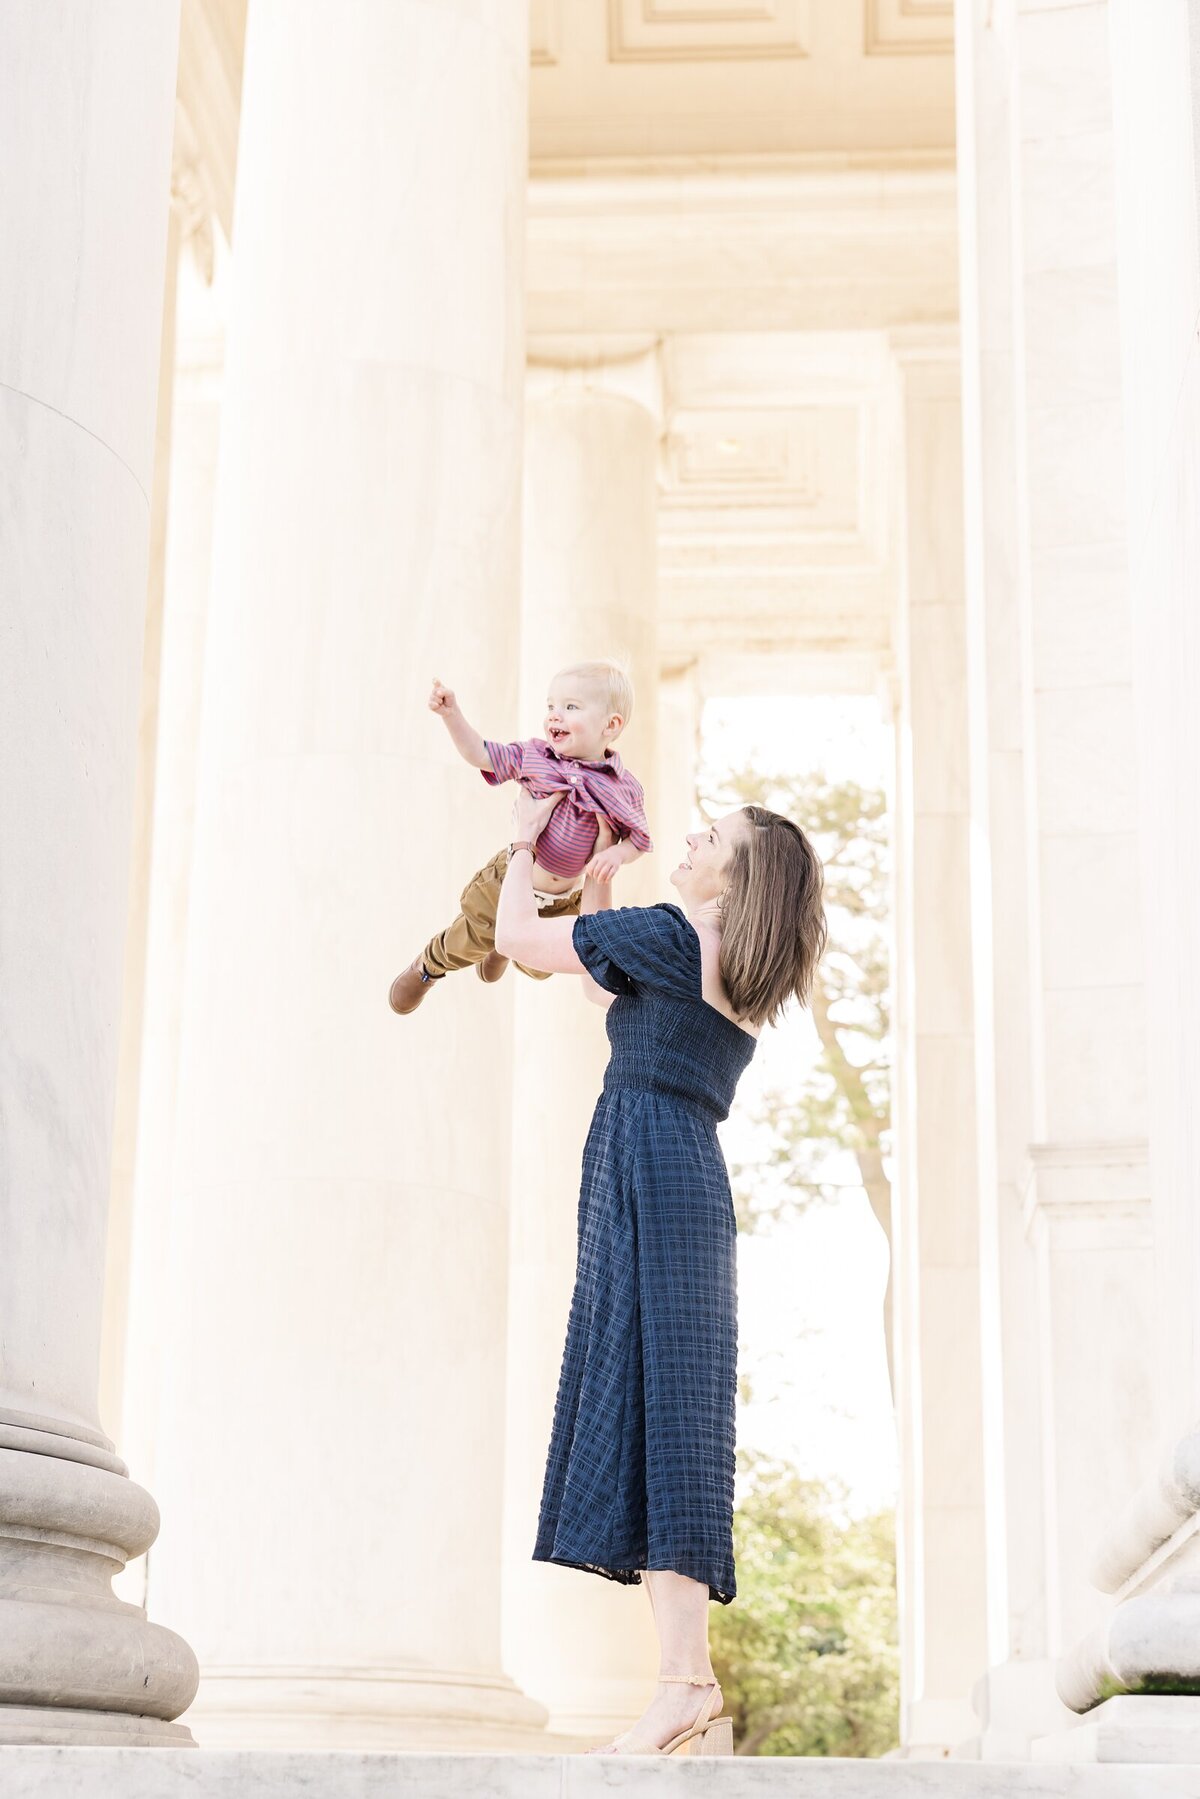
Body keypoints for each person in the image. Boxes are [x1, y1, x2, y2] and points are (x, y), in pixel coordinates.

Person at [494, 782, 827, 1757]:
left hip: (650, 1171)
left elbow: (519, 939)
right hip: (680, 1173)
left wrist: (526, 842)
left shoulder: (675, 935)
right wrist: (597, 891)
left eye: (710, 836)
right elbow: (608, 991)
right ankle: (681, 1679)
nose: (689, 838)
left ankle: (685, 1680)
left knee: (663, 1415)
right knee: (665, 1416)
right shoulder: (719, 958)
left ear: (742, 872)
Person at [388, 662, 652, 1014]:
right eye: (550, 706)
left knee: (541, 964)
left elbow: (639, 839)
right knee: (468, 939)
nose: (555, 716)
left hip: (565, 898)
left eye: (570, 707)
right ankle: (427, 967)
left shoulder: (624, 787)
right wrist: (452, 716)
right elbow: (481, 753)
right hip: (512, 881)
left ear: (611, 725)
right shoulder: (535, 756)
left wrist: (618, 855)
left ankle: (504, 947)